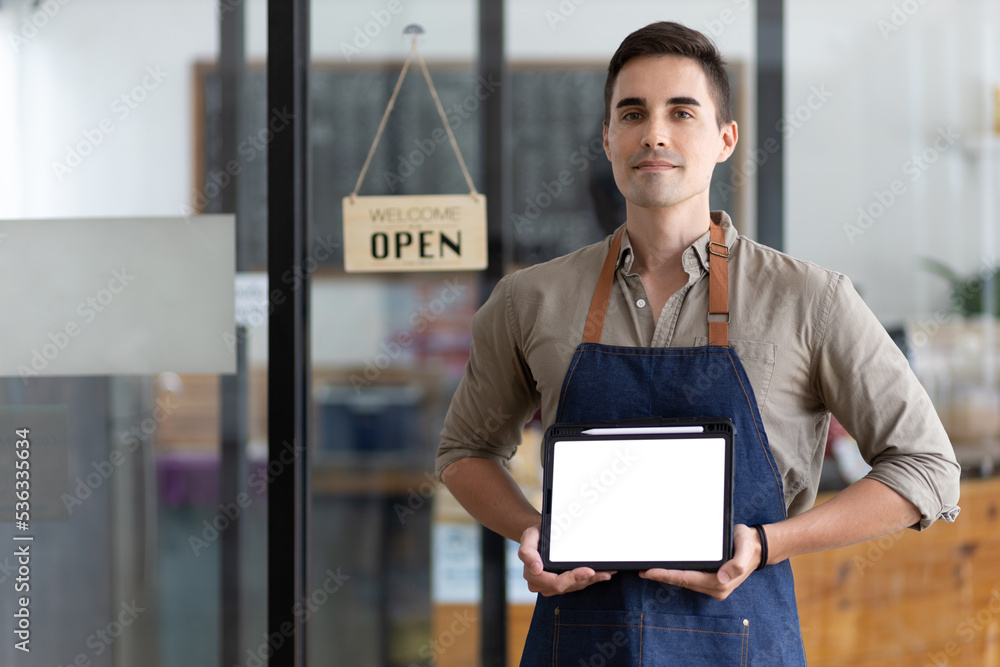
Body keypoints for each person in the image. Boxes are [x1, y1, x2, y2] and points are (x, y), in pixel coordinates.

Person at [435, 20, 960, 665]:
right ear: (607, 139)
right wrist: (532, 530)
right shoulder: (528, 300)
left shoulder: (810, 299)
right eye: (633, 113)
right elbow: (465, 452)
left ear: (725, 139)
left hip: (741, 642)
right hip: (575, 643)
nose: (654, 132)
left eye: (681, 112)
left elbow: (927, 469)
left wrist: (768, 545)